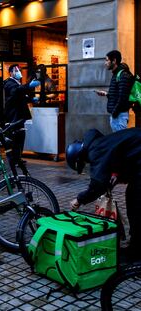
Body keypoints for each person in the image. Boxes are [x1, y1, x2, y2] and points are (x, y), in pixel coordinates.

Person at [66, 128, 141, 261]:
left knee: (136, 207)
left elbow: (97, 185)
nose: (86, 164)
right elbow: (120, 154)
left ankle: (136, 254)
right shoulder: (98, 143)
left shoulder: (95, 152)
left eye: (83, 163)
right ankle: (135, 246)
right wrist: (118, 175)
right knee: (133, 199)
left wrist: (79, 199)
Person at [3, 64, 40, 168]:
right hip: (13, 116)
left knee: (20, 137)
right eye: (17, 70)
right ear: (11, 73)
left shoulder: (17, 83)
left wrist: (31, 100)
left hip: (19, 116)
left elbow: (20, 96)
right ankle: (14, 159)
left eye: (19, 70)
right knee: (15, 138)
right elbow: (16, 91)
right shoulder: (9, 83)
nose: (19, 72)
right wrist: (29, 85)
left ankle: (18, 158)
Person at [95, 50, 133, 132]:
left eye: (107, 60)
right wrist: (107, 94)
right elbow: (119, 94)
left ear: (114, 61)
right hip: (117, 115)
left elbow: (123, 97)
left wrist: (114, 113)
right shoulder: (116, 74)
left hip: (119, 116)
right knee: (117, 142)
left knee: (120, 143)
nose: (105, 63)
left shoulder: (123, 75)